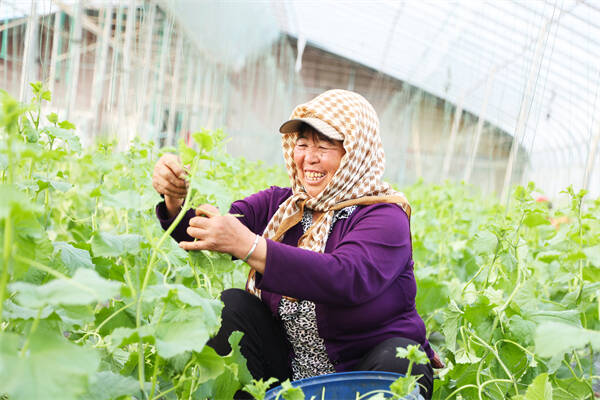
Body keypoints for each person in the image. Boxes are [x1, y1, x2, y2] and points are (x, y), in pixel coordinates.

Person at [152, 89, 441, 399]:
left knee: (402, 361)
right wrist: (175, 198)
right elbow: (205, 231)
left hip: (359, 370)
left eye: (324, 146)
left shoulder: (385, 215)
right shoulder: (283, 205)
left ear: (355, 153)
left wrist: (250, 246)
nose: (309, 157)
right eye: (302, 144)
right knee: (232, 307)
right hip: (290, 374)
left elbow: (345, 277)